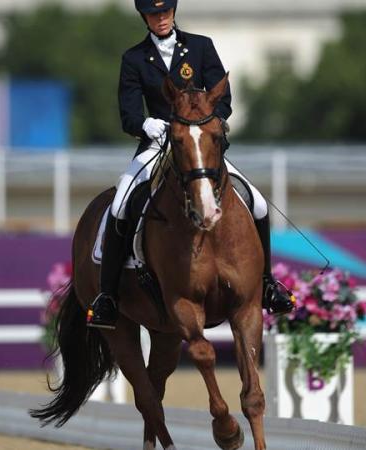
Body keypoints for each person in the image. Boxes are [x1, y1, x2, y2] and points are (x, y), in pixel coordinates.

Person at [87, 0, 295, 330]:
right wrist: (146, 125)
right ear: (146, 17)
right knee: (120, 204)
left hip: (198, 147)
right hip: (157, 145)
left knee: (255, 202)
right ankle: (108, 297)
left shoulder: (200, 47)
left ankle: (268, 284)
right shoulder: (135, 59)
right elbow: (128, 113)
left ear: (173, 11)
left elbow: (222, 99)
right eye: (155, 15)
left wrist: (206, 125)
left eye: (165, 12)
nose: (161, 19)